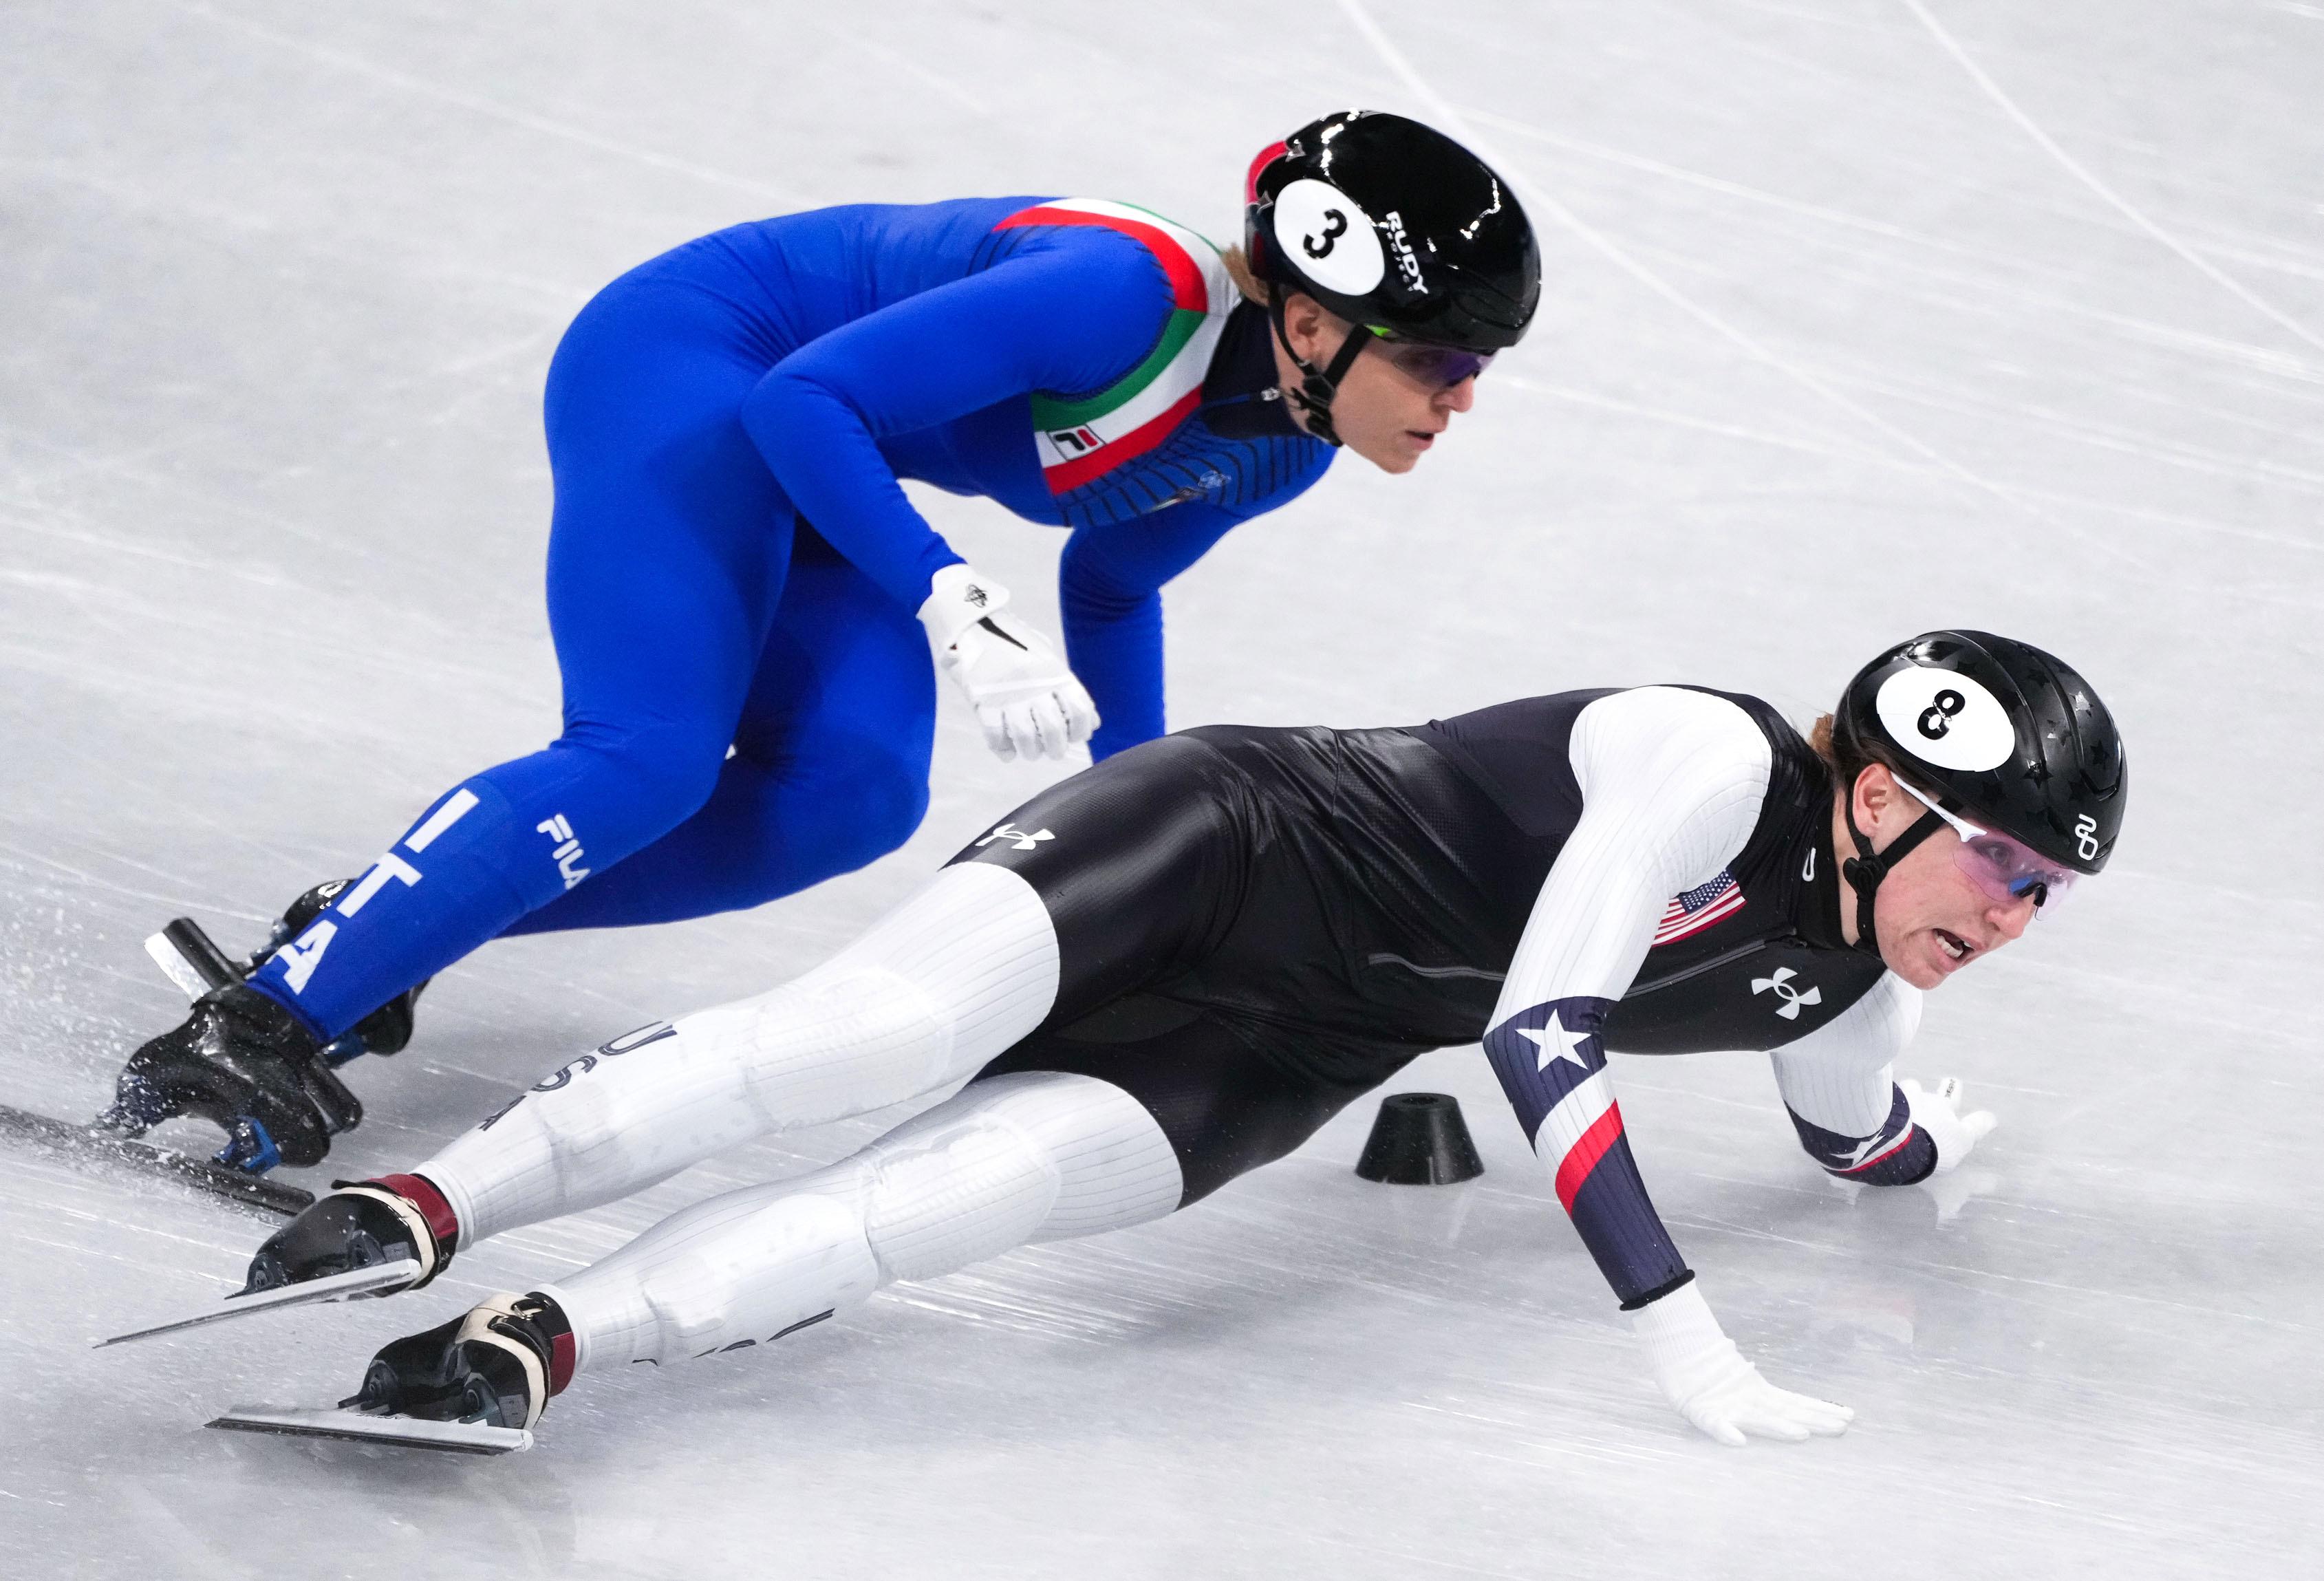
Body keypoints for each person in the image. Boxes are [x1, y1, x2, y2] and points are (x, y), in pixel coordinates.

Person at [232, 630, 2125, 1445]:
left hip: (1292, 1046)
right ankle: (438, 1195)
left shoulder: (1853, 982)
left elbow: (1850, 1136)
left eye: (2050, 887)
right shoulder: (1709, 759)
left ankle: (540, 1338)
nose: (2014, 912)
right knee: (858, 1044)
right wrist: (1686, 1341)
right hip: (1221, 842)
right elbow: (1548, 1030)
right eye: (2001, 857)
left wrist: (1921, 1150)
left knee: (936, 1203)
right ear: (1874, 791)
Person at [102, 109, 1542, 1170]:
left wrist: (1171, 855)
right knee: (649, 757)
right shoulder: (1121, 298)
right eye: (1441, 360)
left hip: (834, 446)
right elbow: (804, 401)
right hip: (704, 360)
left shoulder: (1275, 452)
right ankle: (264, 1020)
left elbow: (1109, 590)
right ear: (1306, 319)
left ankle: (385, 925)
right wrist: (946, 593)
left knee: (845, 798)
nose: (1461, 398)